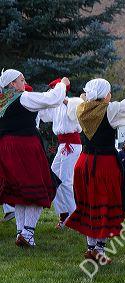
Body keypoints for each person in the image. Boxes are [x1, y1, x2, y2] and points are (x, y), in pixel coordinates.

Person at [65, 63, 125, 264]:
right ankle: (99, 250)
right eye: (109, 92)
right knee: (103, 205)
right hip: (103, 165)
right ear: (105, 95)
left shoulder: (80, 109)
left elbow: (75, 102)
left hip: (84, 163)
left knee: (89, 205)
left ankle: (91, 247)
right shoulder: (109, 110)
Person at [0, 69, 68, 247]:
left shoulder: (2, 100)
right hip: (25, 146)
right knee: (40, 187)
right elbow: (51, 99)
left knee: (20, 192)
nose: (25, 83)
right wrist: (62, 84)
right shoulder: (22, 97)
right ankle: (28, 232)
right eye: (22, 80)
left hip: (7, 148)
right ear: (12, 84)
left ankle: (21, 233)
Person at [38, 78, 83, 229]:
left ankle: (75, 216)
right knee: (53, 179)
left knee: (65, 180)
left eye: (54, 89)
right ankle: (64, 214)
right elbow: (44, 115)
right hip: (62, 145)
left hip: (72, 145)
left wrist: (62, 99)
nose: (52, 92)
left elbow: (77, 110)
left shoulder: (73, 101)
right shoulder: (56, 106)